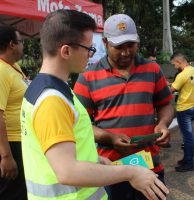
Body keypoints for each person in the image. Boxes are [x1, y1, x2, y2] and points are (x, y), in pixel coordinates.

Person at [21, 10, 168, 200]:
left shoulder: (48, 89)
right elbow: (67, 172)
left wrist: (94, 159)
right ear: (66, 51)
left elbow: (66, 146)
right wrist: (130, 172)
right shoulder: (51, 100)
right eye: (89, 49)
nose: (91, 55)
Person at [73, 13, 173, 200]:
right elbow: (80, 124)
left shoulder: (152, 69)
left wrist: (163, 124)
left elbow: (166, 103)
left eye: (131, 46)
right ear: (105, 42)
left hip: (149, 165)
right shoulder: (88, 77)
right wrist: (110, 138)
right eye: (119, 47)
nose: (126, 52)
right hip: (110, 169)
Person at [0, 25, 27, 200]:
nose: (23, 46)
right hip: (10, 144)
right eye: (21, 42)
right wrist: (7, 156)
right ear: (12, 44)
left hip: (20, 141)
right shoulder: (1, 71)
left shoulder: (13, 66)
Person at [169, 53, 194, 172]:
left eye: (174, 64)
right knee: (187, 136)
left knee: (187, 137)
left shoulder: (182, 75)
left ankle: (189, 163)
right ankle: (186, 159)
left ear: (178, 62)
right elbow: (187, 85)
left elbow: (171, 91)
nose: (174, 66)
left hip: (184, 109)